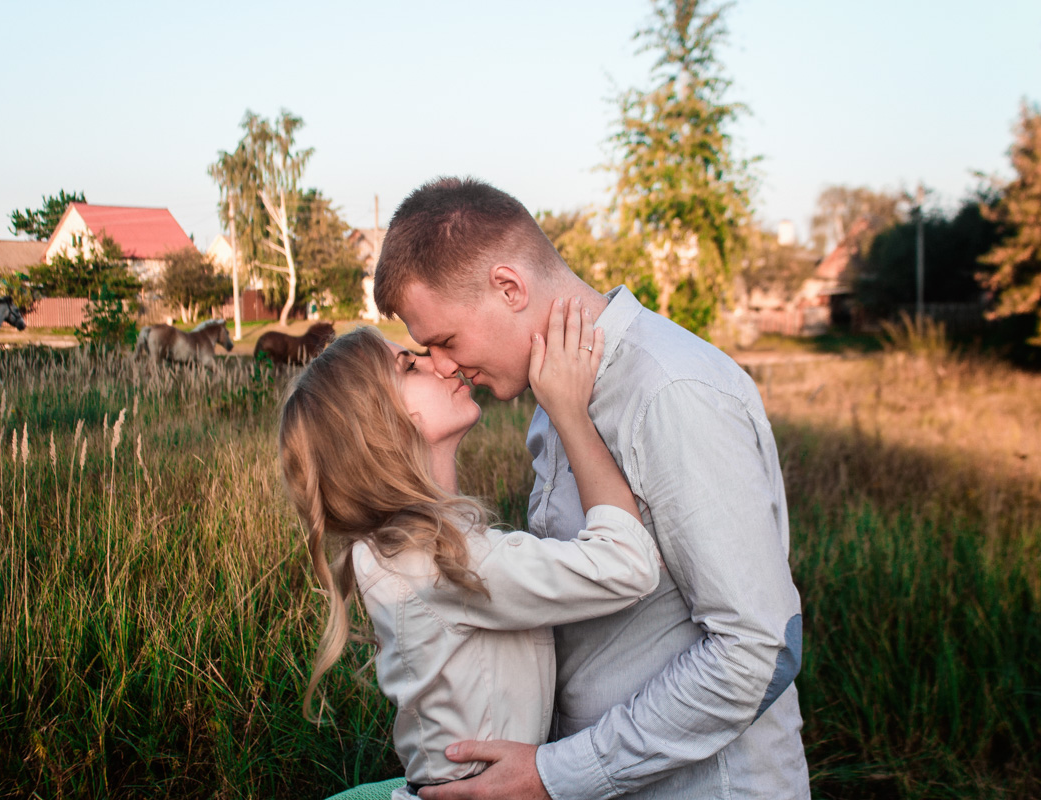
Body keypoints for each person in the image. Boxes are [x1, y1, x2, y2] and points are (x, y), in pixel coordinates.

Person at [371, 177, 810, 800]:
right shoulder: (556, 393)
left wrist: (559, 774)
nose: (444, 365)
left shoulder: (669, 391)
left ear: (509, 287)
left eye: (444, 341)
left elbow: (758, 649)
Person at [278, 302, 663, 798]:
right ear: (377, 424)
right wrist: (570, 413)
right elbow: (629, 567)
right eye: (410, 366)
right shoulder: (431, 561)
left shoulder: (413, 546)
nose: (441, 364)